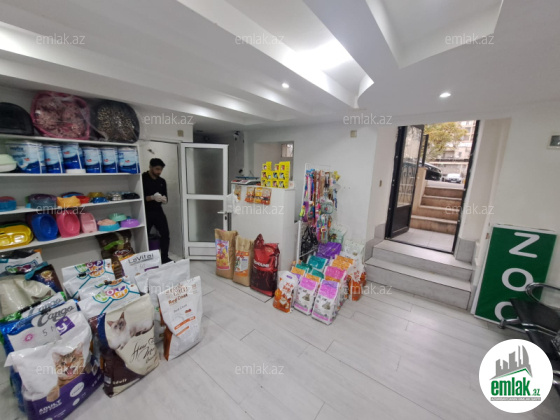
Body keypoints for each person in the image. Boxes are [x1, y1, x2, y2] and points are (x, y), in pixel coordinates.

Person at [142, 158, 171, 264]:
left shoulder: (162, 181)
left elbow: (165, 197)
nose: (159, 171)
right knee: (143, 235)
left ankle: (164, 258)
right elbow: (140, 198)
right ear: (150, 167)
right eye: (157, 169)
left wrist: (164, 199)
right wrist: (151, 197)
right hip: (145, 211)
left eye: (161, 169)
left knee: (165, 234)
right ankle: (144, 259)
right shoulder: (142, 178)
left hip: (158, 211)